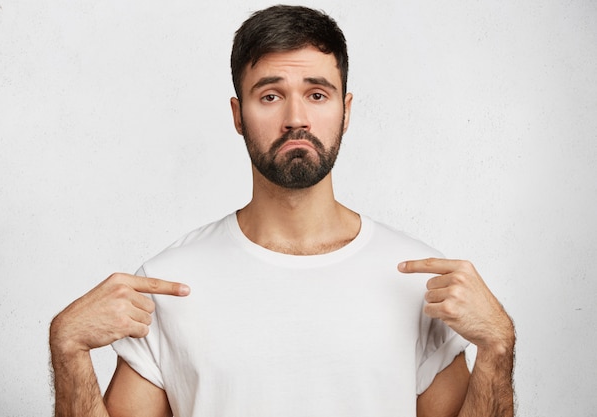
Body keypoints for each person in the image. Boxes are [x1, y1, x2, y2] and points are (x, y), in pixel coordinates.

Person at [49, 5, 515, 417]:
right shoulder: (168, 284)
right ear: (238, 115)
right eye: (270, 95)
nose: (296, 117)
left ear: (346, 111)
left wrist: (497, 348)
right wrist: (68, 349)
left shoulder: (419, 279)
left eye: (317, 94)